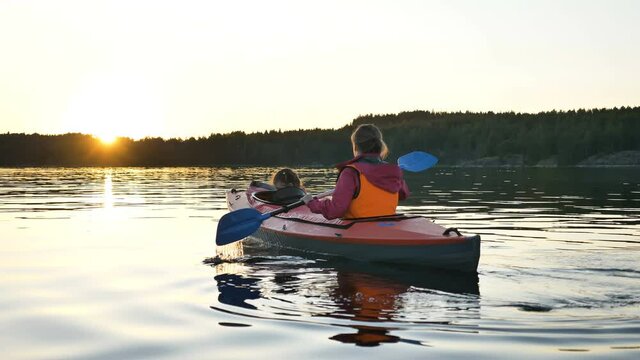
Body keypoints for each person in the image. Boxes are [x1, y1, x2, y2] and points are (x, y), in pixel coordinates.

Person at [302, 124, 409, 219]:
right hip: (387, 224)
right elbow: (403, 195)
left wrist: (313, 204)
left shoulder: (351, 172)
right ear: (379, 145)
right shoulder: (394, 171)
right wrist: (396, 175)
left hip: (360, 228)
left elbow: (336, 210)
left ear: (356, 146)